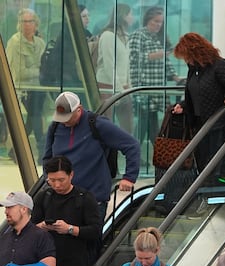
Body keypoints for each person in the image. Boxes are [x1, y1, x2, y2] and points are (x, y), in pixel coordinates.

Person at [43, 91, 140, 223]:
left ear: (79, 110)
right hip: (61, 199)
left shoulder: (98, 124)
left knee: (89, 241)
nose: (64, 122)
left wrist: (129, 177)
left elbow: (131, 145)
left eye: (67, 117)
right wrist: (49, 179)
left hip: (93, 200)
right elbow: (48, 158)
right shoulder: (55, 127)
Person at [172, 32, 225, 181]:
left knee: (216, 160)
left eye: (187, 56)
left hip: (220, 122)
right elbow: (196, 94)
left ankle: (219, 186)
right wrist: (184, 106)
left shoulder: (219, 65)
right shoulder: (194, 70)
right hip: (201, 122)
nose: (186, 60)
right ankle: (209, 186)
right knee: (204, 158)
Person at [129, 6, 181, 150]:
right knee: (145, 121)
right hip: (144, 87)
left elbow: (165, 62)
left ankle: (157, 152)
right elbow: (132, 57)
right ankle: (140, 151)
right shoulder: (138, 35)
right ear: (147, 20)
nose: (158, 25)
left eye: (160, 22)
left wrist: (175, 77)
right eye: (155, 21)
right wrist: (153, 56)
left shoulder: (159, 38)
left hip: (156, 88)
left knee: (151, 123)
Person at [5, 8, 46, 163]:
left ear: (36, 24)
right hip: (24, 89)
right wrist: (39, 72)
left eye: (30, 21)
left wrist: (41, 73)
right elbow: (18, 72)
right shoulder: (15, 42)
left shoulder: (40, 42)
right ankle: (42, 152)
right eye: (24, 21)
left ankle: (15, 150)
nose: (27, 25)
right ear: (19, 24)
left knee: (32, 119)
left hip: (40, 88)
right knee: (35, 117)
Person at [96, 3, 134, 133]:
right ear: (123, 16)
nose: (132, 17)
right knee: (106, 126)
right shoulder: (107, 36)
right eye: (130, 14)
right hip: (107, 86)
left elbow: (126, 64)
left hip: (123, 88)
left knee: (128, 126)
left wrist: (128, 85)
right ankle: (108, 153)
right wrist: (118, 89)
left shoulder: (125, 36)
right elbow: (109, 65)